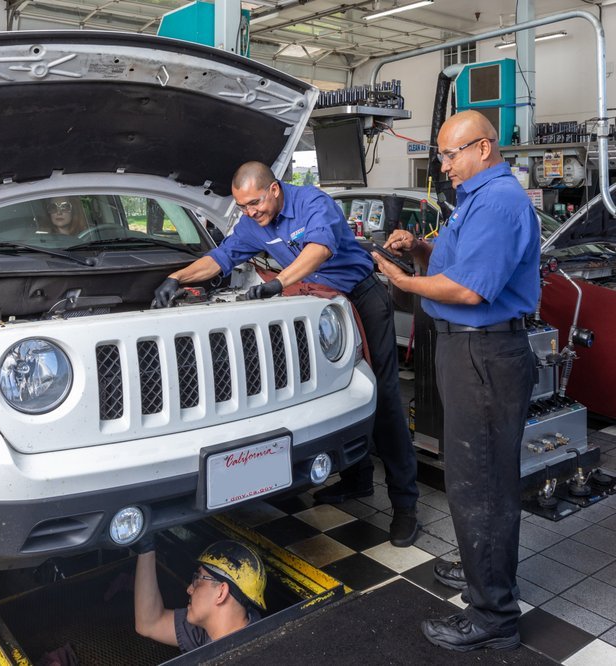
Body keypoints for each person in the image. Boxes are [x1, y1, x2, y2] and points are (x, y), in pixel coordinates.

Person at [152, 161, 419, 547]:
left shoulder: (313, 202)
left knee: (384, 396)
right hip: (322, 309)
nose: (250, 213)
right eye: (243, 206)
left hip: (362, 297)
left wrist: (279, 282)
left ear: (275, 189)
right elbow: (222, 258)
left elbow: (319, 249)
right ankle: (358, 480)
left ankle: (405, 506)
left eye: (255, 203)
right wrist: (177, 277)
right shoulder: (252, 222)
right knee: (341, 391)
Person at [373, 110, 539, 651]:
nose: (443, 165)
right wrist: (419, 251)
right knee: (472, 478)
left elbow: (470, 291)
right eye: (441, 155)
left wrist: (403, 279)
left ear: (484, 148)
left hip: (485, 355)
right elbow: (459, 263)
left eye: (450, 154)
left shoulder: (498, 200)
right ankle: (481, 575)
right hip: (468, 351)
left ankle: (494, 618)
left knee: (482, 486)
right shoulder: (474, 199)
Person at [134, 538, 265, 652]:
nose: (189, 589)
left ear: (221, 592)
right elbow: (149, 623)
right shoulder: (210, 630)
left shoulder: (253, 655)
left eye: (198, 580)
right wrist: (146, 548)